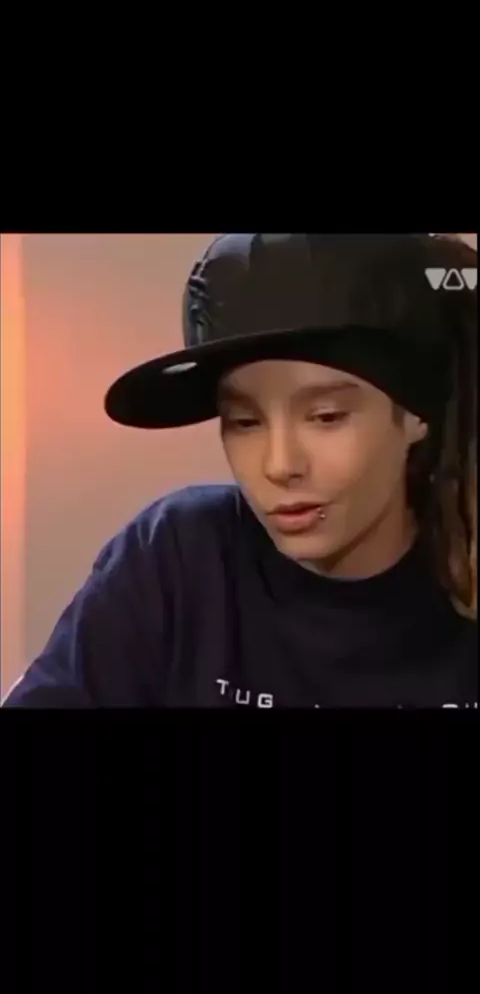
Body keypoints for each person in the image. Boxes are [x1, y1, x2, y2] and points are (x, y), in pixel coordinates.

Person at [3, 234, 477, 708]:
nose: (280, 465)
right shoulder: (178, 560)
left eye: (326, 416)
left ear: (417, 414)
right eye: (245, 422)